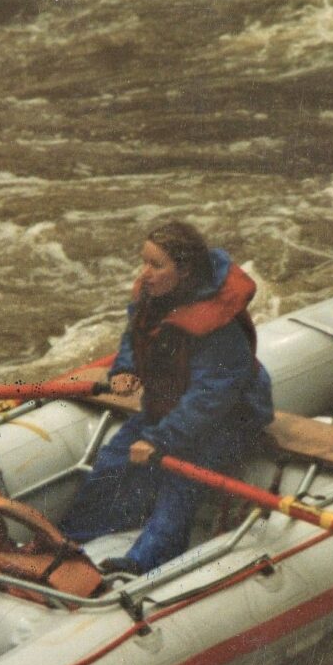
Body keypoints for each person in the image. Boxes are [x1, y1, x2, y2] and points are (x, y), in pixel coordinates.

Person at [59, 221, 274, 573]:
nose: (145, 274)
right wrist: (126, 371)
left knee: (181, 481)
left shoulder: (219, 327)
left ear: (185, 271)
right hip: (169, 406)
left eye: (156, 266)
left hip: (229, 418)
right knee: (112, 460)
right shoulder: (153, 297)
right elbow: (134, 338)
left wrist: (161, 440)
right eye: (144, 262)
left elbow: (211, 397)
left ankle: (143, 563)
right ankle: (71, 537)